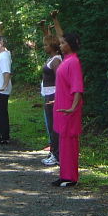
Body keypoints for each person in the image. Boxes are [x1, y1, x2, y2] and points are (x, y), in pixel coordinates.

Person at [51, 27, 85, 187]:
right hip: (61, 106)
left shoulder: (74, 62)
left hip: (69, 109)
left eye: (63, 42)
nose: (60, 44)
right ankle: (64, 174)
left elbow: (77, 87)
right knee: (63, 142)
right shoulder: (66, 60)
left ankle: (72, 177)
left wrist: (73, 107)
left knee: (70, 142)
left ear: (70, 45)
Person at [37, 15, 62, 166]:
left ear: (52, 46)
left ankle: (56, 154)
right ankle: (53, 151)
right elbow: (49, 38)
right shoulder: (51, 58)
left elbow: (60, 80)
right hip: (47, 94)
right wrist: (44, 29)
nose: (44, 47)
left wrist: (57, 97)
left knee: (53, 126)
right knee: (49, 125)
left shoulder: (57, 60)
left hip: (52, 95)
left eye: (46, 45)